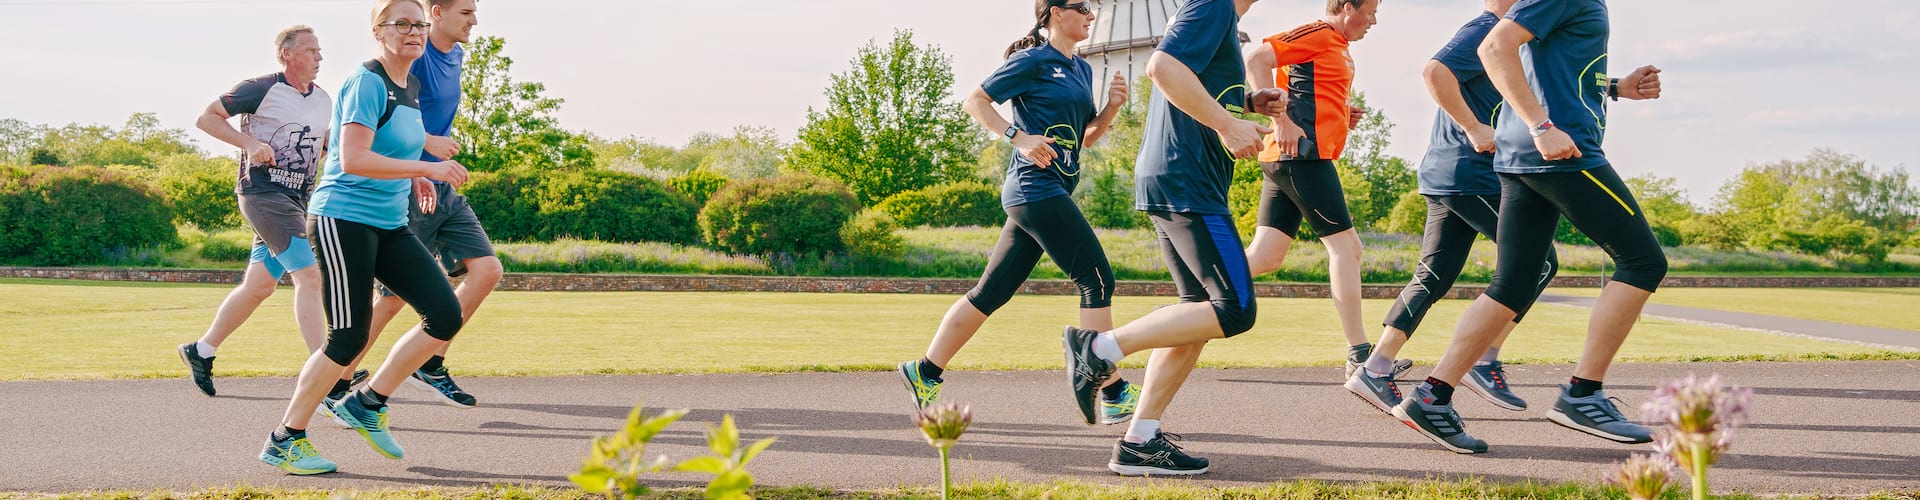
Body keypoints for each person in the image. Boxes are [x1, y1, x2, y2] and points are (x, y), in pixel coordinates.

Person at [1392, 0, 1666, 453]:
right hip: (1561, 152)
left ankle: (1432, 397)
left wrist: (1617, 87)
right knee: (1643, 262)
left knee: (1514, 284)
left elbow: (1546, 65)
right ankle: (1582, 393)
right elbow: (1496, 47)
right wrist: (1542, 126)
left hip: (1522, 155)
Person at [1062, 0, 1283, 476]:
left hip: (1176, 178)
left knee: (1195, 314)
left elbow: (1189, 82)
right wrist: (1227, 124)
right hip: (1189, 183)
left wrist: (1244, 103)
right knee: (1234, 309)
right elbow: (1161, 68)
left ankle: (1140, 439)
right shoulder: (1213, 6)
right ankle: (1097, 350)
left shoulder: (1219, 17)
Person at [898, 0, 1142, 424]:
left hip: (1048, 189)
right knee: (1097, 278)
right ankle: (1113, 389)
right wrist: (1018, 136)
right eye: (1082, 6)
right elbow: (975, 101)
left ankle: (924, 371)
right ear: (1054, 13)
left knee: (991, 292)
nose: (1090, 14)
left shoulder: (1082, 69)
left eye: (1092, 8)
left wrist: (1112, 109)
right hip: (1034, 187)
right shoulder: (1032, 60)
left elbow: (1084, 139)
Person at [258, 0, 471, 475]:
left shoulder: (410, 83)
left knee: (445, 313)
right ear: (379, 31)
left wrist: (411, 175)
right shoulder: (366, 81)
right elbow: (352, 158)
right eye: (401, 24)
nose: (413, 32)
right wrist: (425, 167)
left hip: (389, 221)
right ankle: (284, 439)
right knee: (348, 336)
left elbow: (391, 143)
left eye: (418, 24)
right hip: (342, 219)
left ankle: (366, 403)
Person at [1344, 0, 1554, 416]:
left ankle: (1375, 367)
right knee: (1540, 262)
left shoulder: (1511, 39)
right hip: (1468, 174)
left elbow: (1543, 82)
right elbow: (1434, 71)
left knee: (1433, 276)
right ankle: (1484, 357)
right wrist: (1474, 127)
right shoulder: (1487, 27)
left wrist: (1616, 88)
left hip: (1447, 175)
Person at [335, 0, 494, 411]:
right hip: (411, 183)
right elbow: (387, 111)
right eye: (466, 13)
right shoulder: (413, 57)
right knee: (392, 298)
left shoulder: (455, 54)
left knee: (487, 270)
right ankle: (338, 380)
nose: (474, 21)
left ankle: (432, 361)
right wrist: (427, 143)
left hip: (440, 182)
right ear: (437, 12)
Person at [178, 25, 333, 398]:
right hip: (263, 194)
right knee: (310, 277)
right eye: (311, 50)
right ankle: (327, 374)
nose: (319, 57)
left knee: (260, 286)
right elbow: (207, 117)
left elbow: (323, 147)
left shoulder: (325, 99)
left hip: (297, 200)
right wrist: (249, 143)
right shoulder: (261, 87)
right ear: (288, 55)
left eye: (319, 51)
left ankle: (201, 350)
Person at [1241, 0, 1390, 379]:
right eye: (1369, 11)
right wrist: (1280, 119)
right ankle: (1360, 355)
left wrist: (1343, 113)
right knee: (1347, 248)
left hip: (1295, 158)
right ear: (1344, 6)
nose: (1373, 20)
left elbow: (1309, 91)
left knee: (1265, 258)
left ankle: (1191, 301)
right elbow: (1257, 58)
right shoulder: (1318, 33)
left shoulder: (1338, 47)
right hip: (1302, 157)